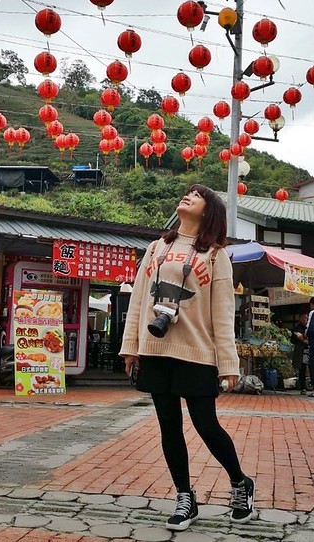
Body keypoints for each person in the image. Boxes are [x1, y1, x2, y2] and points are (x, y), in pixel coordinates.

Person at [119, 184, 255, 531]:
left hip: (197, 352)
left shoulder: (215, 255)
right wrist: (131, 347)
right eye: (187, 192)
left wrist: (229, 364)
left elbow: (223, 313)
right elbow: (138, 300)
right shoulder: (156, 248)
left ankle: (240, 483)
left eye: (198, 195)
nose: (188, 196)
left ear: (209, 211)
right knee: (169, 426)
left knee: (206, 425)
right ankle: (185, 497)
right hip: (156, 349)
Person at [290, 314, 309, 394]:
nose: (306, 319)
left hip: (309, 350)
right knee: (302, 369)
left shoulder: (309, 327)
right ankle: (303, 387)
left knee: (312, 368)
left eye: (307, 318)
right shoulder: (296, 328)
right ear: (300, 319)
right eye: (304, 317)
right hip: (301, 352)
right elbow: (294, 339)